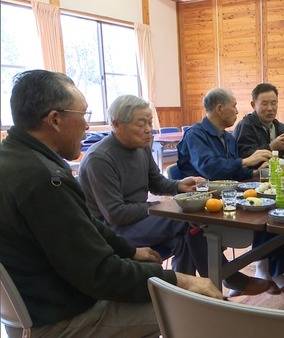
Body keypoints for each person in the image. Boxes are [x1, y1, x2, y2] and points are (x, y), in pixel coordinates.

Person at [0, 70, 221, 338]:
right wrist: (179, 281)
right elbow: (101, 274)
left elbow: (85, 221)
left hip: (45, 302)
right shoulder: (45, 180)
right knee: (194, 309)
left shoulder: (17, 158)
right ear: (54, 120)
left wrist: (130, 251)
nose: (86, 126)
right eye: (83, 116)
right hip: (61, 319)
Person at [79, 94, 271, 297]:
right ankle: (226, 278)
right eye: (141, 123)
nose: (148, 129)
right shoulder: (99, 159)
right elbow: (115, 214)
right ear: (117, 125)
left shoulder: (141, 147)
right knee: (187, 220)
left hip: (137, 220)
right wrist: (157, 206)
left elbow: (156, 182)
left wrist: (179, 186)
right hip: (112, 230)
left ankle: (182, 296)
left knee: (185, 239)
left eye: (150, 122)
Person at [181, 87, 284, 295]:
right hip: (202, 202)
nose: (237, 111)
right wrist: (247, 161)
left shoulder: (227, 138)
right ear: (220, 109)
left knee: (274, 206)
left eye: (273, 103)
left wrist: (255, 172)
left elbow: (237, 172)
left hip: (229, 195)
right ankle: (235, 278)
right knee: (267, 211)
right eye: (234, 106)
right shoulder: (196, 134)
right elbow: (209, 168)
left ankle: (268, 270)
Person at [233, 83, 284, 168]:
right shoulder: (245, 126)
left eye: (273, 103)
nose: (270, 108)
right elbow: (245, 158)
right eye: (264, 104)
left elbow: (281, 158)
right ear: (253, 105)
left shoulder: (279, 126)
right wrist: (271, 147)